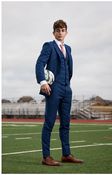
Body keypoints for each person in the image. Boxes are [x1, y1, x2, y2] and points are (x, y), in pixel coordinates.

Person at [35, 19, 84, 166]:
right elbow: (39, 63)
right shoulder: (49, 46)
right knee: (49, 122)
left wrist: (66, 84)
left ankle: (66, 154)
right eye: (57, 30)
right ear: (54, 32)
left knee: (66, 123)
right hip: (53, 89)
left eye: (63, 30)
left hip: (66, 89)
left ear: (66, 32)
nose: (60, 33)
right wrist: (43, 82)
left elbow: (69, 69)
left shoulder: (68, 48)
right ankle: (46, 157)